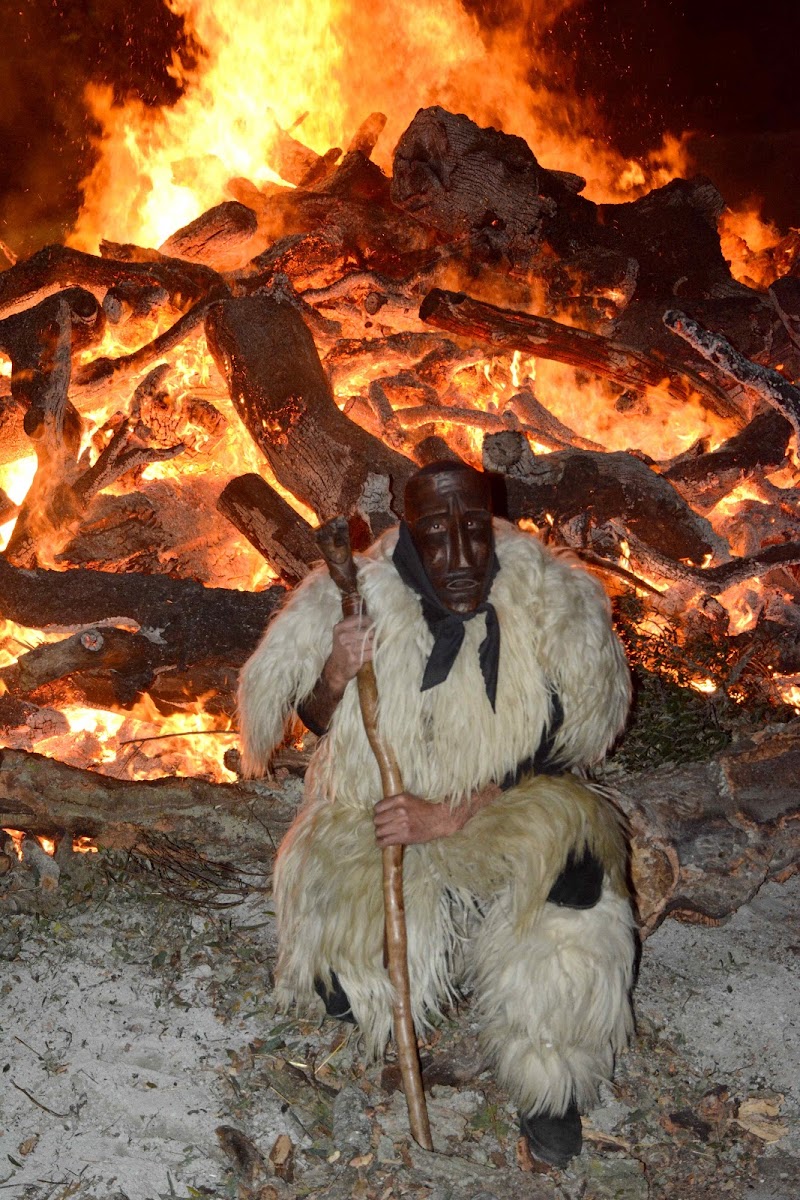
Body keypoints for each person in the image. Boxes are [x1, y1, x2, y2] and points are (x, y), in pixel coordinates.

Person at [238, 460, 635, 1168]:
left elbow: (562, 739)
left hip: (504, 796)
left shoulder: (546, 596)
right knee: (344, 972)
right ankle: (354, 985)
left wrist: (455, 813)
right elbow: (312, 721)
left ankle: (550, 1077)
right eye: (438, 539)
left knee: (576, 880)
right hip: (380, 800)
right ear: (411, 537)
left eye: (475, 534)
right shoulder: (356, 594)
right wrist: (335, 669)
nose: (461, 560)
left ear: (492, 525)